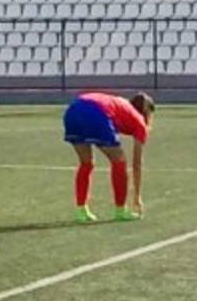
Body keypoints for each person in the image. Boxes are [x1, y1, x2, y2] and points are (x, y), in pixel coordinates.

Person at [62, 92, 153, 223]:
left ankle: (81, 210)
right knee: (119, 160)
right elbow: (137, 163)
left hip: (73, 109)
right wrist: (137, 196)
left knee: (86, 163)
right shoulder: (139, 120)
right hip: (96, 113)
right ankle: (120, 210)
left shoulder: (122, 104)